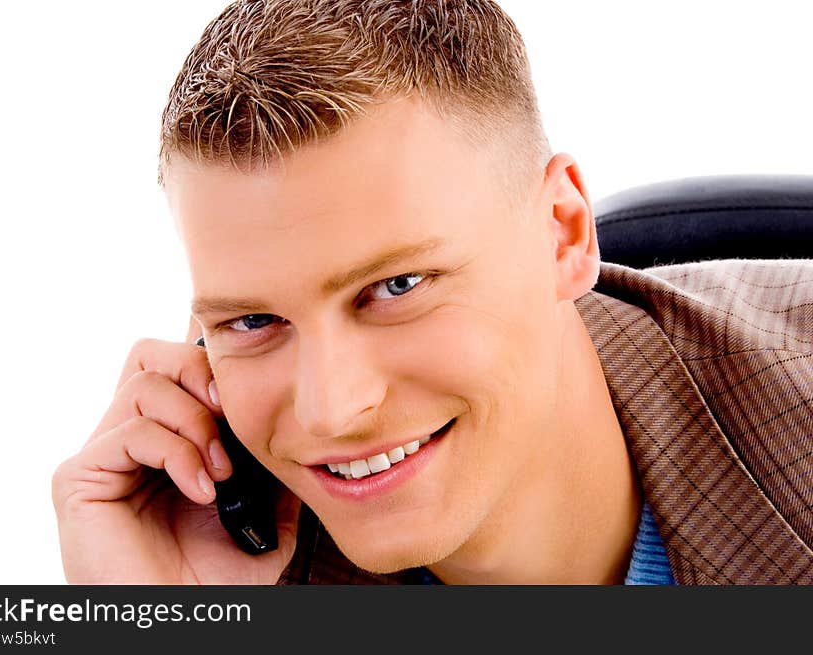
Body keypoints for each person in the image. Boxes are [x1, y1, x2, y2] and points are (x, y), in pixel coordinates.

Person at [51, 0, 813, 584]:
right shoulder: (252, 575)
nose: (331, 408)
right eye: (253, 319)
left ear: (564, 233)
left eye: (395, 286)